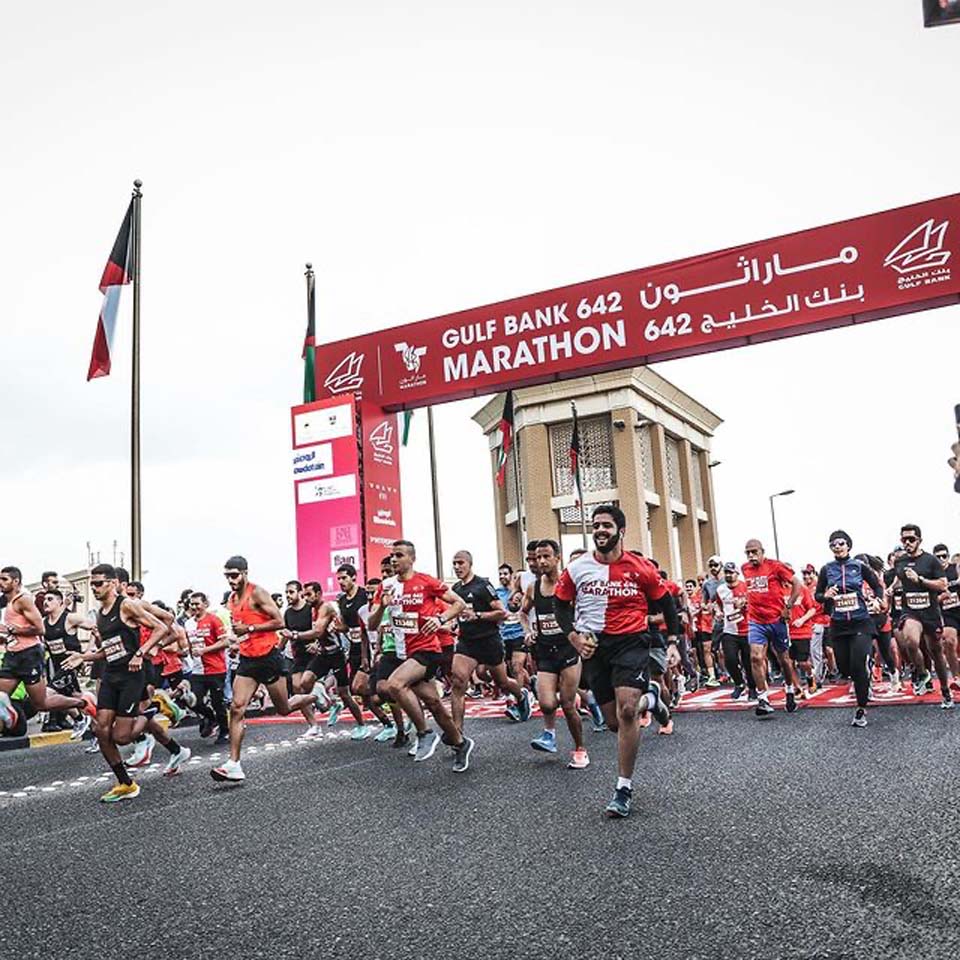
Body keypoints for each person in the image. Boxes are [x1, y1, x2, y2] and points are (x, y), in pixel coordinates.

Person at [554, 505, 675, 818]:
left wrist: (672, 642)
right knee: (612, 722)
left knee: (626, 710)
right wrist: (573, 637)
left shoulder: (641, 567)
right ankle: (652, 699)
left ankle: (623, 787)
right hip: (594, 647)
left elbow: (667, 604)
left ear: (621, 531)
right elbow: (560, 605)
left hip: (631, 642)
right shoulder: (578, 568)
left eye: (606, 525)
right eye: (596, 526)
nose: (600, 530)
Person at [61, 564, 191, 801]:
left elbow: (162, 626)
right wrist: (84, 656)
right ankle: (126, 783)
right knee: (100, 730)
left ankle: (154, 708)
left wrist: (142, 652)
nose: (95, 588)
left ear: (112, 583)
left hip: (132, 675)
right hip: (111, 674)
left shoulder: (128, 605)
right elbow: (107, 651)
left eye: (99, 583)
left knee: (122, 737)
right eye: (93, 584)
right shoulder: (100, 613)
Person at [210, 556, 323, 783]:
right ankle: (234, 764)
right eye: (227, 576)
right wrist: (236, 642)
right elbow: (240, 630)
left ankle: (314, 695)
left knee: (283, 708)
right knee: (236, 707)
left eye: (234, 575)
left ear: (245, 573)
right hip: (247, 660)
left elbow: (280, 621)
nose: (231, 581)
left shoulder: (257, 593)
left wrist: (250, 627)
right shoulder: (232, 599)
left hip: (268, 658)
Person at [368, 540, 474, 770]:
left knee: (396, 685)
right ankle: (460, 742)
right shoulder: (385, 586)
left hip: (426, 649)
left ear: (411, 558)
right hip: (399, 652)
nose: (394, 560)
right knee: (433, 703)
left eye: (399, 555)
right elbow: (371, 624)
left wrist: (440, 619)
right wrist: (382, 607)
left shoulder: (425, 581)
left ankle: (425, 733)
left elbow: (459, 603)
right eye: (392, 555)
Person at [450, 550, 531, 737]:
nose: (457, 567)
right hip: (466, 642)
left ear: (470, 564)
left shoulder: (482, 585)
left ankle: (521, 695)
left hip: (489, 640)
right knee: (458, 681)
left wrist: (477, 615)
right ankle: (457, 734)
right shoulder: (455, 589)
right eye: (454, 564)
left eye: (461, 563)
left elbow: (502, 612)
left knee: (502, 681)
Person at [523, 539, 588, 768]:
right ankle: (549, 735)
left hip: (568, 649)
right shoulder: (533, 587)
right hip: (545, 651)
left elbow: (584, 610)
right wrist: (528, 630)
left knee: (568, 705)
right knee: (547, 703)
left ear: (557, 558)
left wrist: (580, 634)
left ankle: (580, 749)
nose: (541, 561)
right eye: (537, 557)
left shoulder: (568, 584)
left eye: (546, 556)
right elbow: (523, 612)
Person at [0, 566, 96, 721]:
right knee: (2, 698)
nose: (1, 583)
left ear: (16, 581)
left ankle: (83, 703)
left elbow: (39, 629)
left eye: (4, 579)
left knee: (42, 703)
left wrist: (87, 654)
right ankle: (11, 719)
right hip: (14, 655)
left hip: (30, 655)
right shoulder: (9, 602)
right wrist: (5, 635)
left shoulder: (23, 600)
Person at [813, 532, 888, 727]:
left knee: (857, 666)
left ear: (848, 546)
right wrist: (826, 594)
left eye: (841, 543)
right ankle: (865, 666)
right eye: (833, 544)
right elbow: (817, 596)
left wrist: (878, 600)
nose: (837, 547)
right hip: (838, 624)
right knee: (845, 669)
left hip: (860, 621)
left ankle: (860, 710)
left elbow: (877, 586)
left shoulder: (859, 566)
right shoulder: (826, 569)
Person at [296, 581, 367, 736]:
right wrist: (316, 643)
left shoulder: (326, 607)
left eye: (309, 594)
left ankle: (362, 725)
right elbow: (320, 633)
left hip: (337, 654)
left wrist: (295, 635)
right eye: (304, 595)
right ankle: (330, 703)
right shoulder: (313, 610)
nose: (306, 598)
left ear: (319, 593)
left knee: (345, 693)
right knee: (304, 683)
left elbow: (319, 631)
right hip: (323, 654)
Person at [741, 540, 802, 717]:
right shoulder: (745, 569)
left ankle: (790, 690)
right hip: (755, 620)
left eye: (754, 552)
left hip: (776, 620)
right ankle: (763, 698)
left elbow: (797, 584)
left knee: (783, 659)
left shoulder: (775, 566)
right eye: (748, 553)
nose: (751, 556)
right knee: (755, 657)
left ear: (762, 552)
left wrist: (788, 606)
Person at [893, 525, 951, 706]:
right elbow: (898, 580)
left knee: (936, 652)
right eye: (904, 540)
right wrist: (888, 591)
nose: (907, 543)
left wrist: (920, 580)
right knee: (910, 640)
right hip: (911, 611)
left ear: (920, 540)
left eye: (911, 539)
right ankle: (923, 673)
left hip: (930, 613)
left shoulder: (931, 561)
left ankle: (945, 690)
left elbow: (943, 585)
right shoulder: (899, 562)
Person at [336, 563, 391, 739]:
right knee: (358, 689)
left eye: (344, 578)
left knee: (376, 690)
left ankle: (397, 721)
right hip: (357, 647)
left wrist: (378, 648)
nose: (341, 582)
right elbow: (354, 627)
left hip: (381, 648)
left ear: (354, 577)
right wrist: (340, 627)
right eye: (338, 579)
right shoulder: (343, 601)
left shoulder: (364, 595)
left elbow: (373, 623)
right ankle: (382, 723)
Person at [41, 588, 91, 737]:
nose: (45, 602)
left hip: (71, 664)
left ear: (60, 602)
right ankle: (95, 727)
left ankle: (80, 718)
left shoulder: (70, 618)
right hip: (57, 666)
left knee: (48, 695)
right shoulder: (43, 623)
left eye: (50, 599)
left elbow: (96, 628)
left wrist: (86, 654)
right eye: (45, 599)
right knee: (72, 697)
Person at [278, 579, 324, 739]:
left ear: (299, 593)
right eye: (286, 593)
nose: (288, 596)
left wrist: (317, 644)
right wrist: (278, 649)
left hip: (314, 655)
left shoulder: (310, 609)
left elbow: (320, 630)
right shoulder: (288, 613)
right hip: (298, 656)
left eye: (291, 592)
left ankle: (323, 698)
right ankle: (314, 725)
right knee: (297, 689)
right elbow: (286, 633)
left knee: (305, 685)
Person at [186, 592, 230, 743]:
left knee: (218, 703)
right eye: (192, 604)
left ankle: (225, 731)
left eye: (197, 603)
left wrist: (205, 650)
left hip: (216, 669)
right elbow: (189, 644)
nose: (194, 607)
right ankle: (211, 718)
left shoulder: (214, 620)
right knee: (192, 701)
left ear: (205, 604)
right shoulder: (188, 623)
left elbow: (225, 642)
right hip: (197, 670)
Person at [716, 562, 754, 701]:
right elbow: (718, 605)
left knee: (748, 661)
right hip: (729, 630)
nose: (729, 575)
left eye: (731, 572)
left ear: (737, 574)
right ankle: (739, 683)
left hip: (747, 629)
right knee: (730, 659)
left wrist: (745, 604)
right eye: (726, 572)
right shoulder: (720, 589)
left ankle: (752, 687)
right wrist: (718, 612)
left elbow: (755, 603)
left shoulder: (746, 587)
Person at [496, 563, 529, 695]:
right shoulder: (497, 593)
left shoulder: (522, 592)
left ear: (511, 576)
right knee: (511, 669)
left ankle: (519, 699)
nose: (502, 577)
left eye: (505, 574)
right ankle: (531, 682)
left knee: (517, 667)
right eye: (500, 574)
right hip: (504, 634)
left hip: (519, 633)